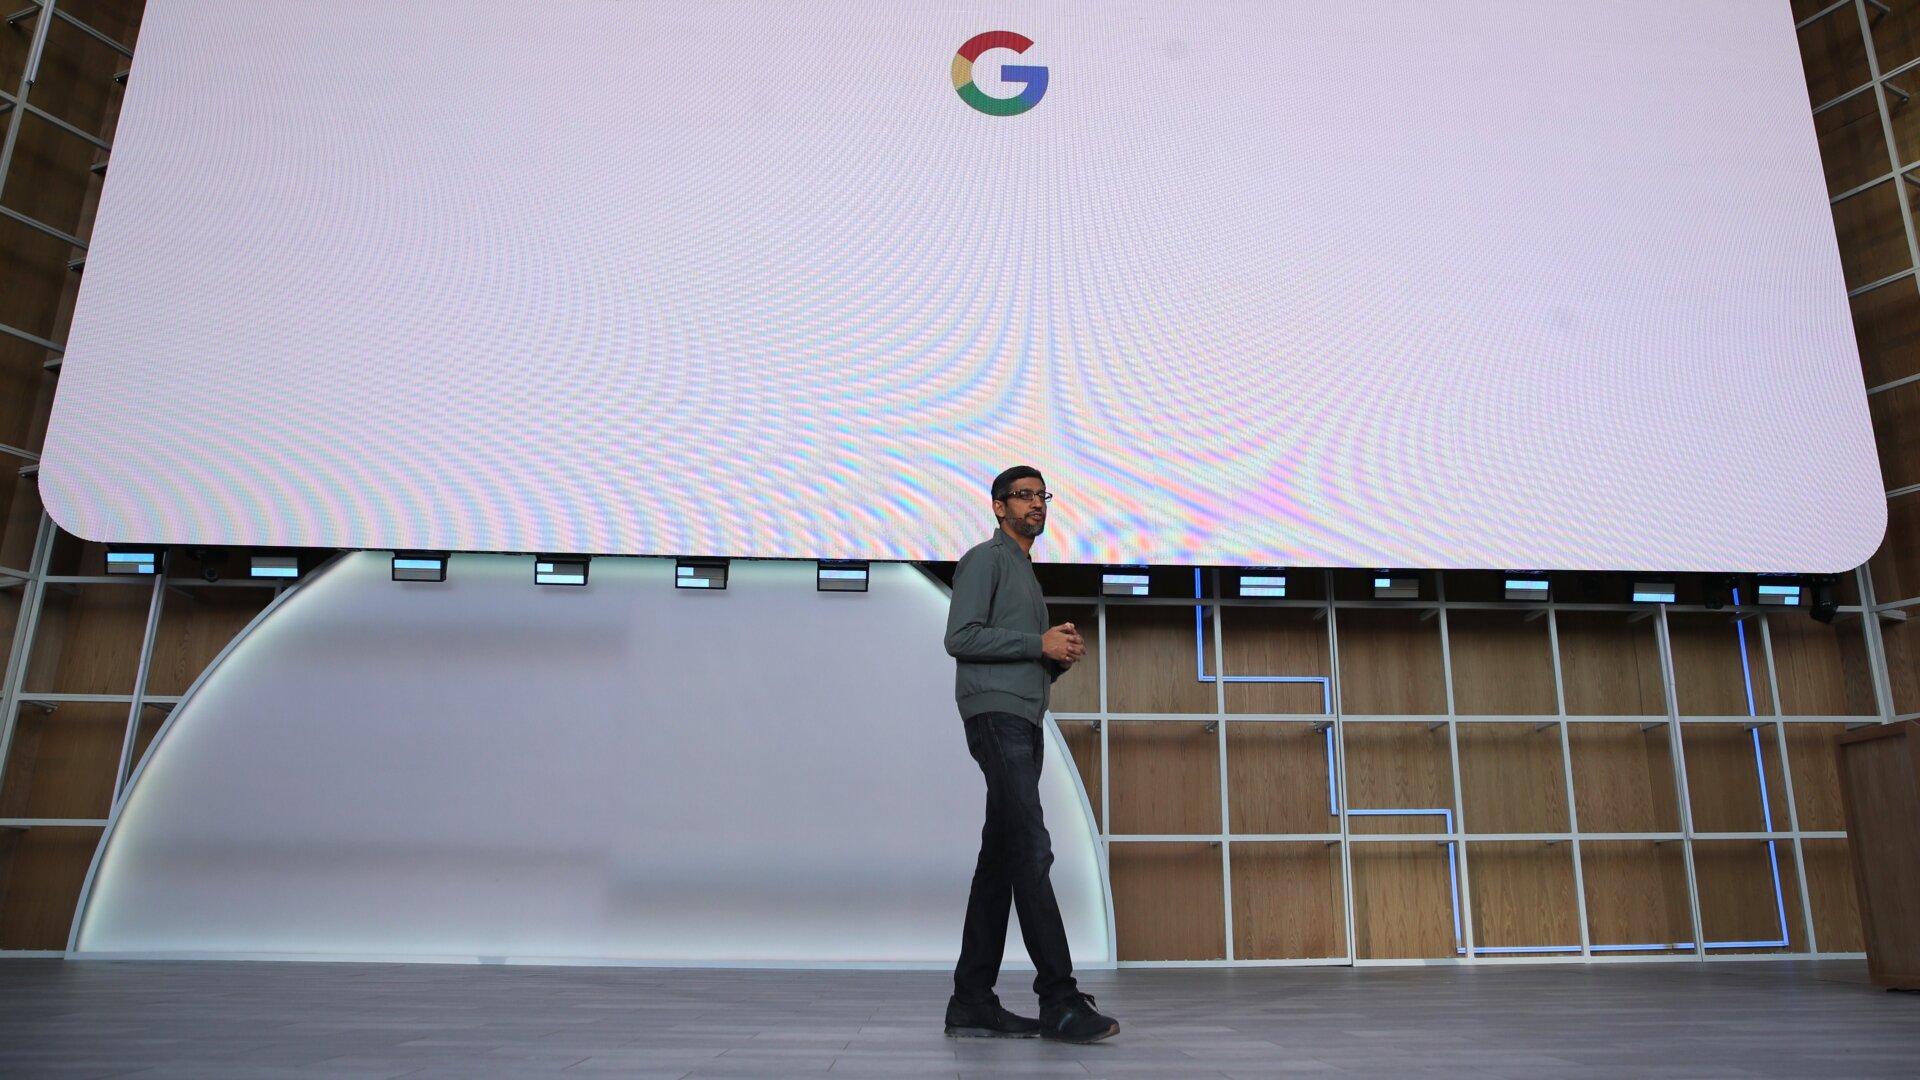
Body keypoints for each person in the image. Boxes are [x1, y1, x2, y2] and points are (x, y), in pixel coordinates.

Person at [941, 465, 1121, 1044]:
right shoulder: (985, 560)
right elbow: (959, 637)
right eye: (1023, 496)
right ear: (999, 507)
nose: (1036, 504)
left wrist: (1053, 659)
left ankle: (971, 1001)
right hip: (997, 718)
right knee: (1031, 849)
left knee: (999, 863)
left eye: (1042, 495)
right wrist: (1035, 643)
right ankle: (1059, 1000)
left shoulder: (1025, 573)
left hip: (1022, 718)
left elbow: (1020, 659)